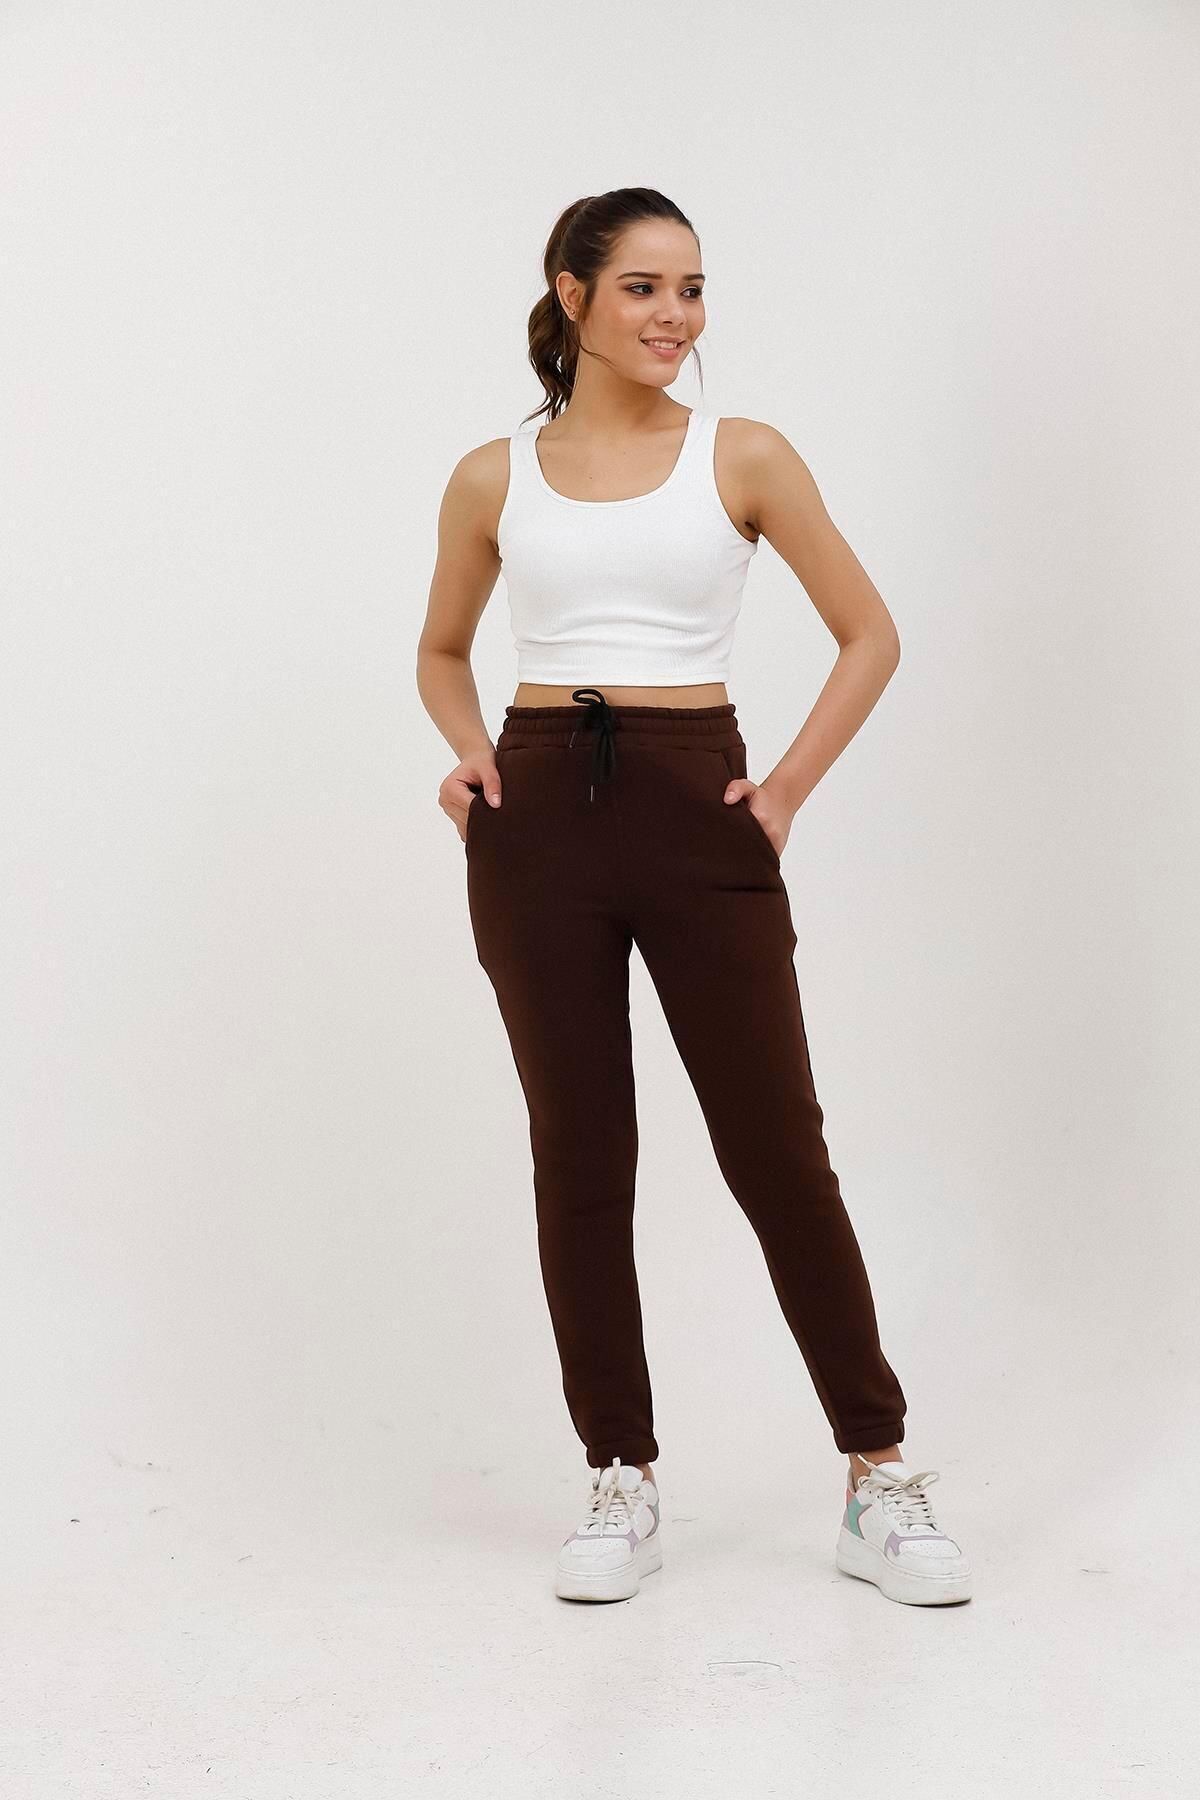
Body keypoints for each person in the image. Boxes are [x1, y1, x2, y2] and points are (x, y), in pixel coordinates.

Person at [416, 187, 972, 1608]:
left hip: (696, 798)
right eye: (646, 287)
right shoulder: (493, 475)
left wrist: (779, 792)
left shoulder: (745, 454)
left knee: (777, 1149)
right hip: (540, 815)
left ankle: (877, 1473)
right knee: (581, 1154)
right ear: (573, 294)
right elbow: (442, 649)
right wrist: (472, 754)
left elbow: (870, 633)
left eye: (694, 288)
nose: (678, 316)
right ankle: (621, 1472)